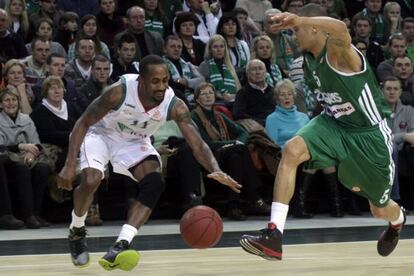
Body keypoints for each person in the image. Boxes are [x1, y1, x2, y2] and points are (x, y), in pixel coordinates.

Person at [240, 4, 406, 261]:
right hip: (334, 123)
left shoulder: (340, 53)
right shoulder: (308, 61)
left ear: (315, 28)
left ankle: (398, 222)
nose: (294, 36)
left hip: (369, 135)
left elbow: (340, 28)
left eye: (298, 30)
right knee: (292, 150)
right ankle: (274, 235)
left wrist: (297, 18)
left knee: (379, 209)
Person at [57, 55, 241, 270]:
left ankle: (121, 243)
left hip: (135, 141)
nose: (161, 86)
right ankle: (77, 229)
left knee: (155, 182)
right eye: (155, 81)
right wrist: (70, 164)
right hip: (101, 134)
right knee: (91, 180)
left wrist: (216, 169)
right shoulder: (119, 91)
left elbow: (198, 145)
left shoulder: (175, 105)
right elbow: (83, 122)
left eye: (165, 80)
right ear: (141, 81)